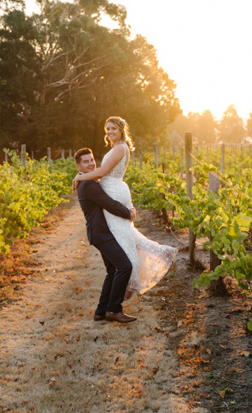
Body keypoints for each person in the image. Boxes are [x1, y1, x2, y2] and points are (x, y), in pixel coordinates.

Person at [73, 116, 177, 299]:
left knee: (122, 237)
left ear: (121, 130)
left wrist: (79, 177)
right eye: (107, 129)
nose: (110, 132)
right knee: (124, 234)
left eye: (113, 128)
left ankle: (132, 279)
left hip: (114, 189)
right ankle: (157, 256)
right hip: (115, 187)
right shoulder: (118, 148)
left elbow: (103, 172)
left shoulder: (119, 148)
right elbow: (103, 173)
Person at [74, 147, 138, 323]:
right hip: (101, 234)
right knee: (125, 266)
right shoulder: (88, 185)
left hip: (100, 233)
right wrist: (129, 213)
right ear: (78, 165)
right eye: (85, 161)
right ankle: (113, 309)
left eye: (92, 159)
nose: (90, 163)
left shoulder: (89, 181)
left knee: (112, 271)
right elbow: (109, 203)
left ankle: (101, 311)